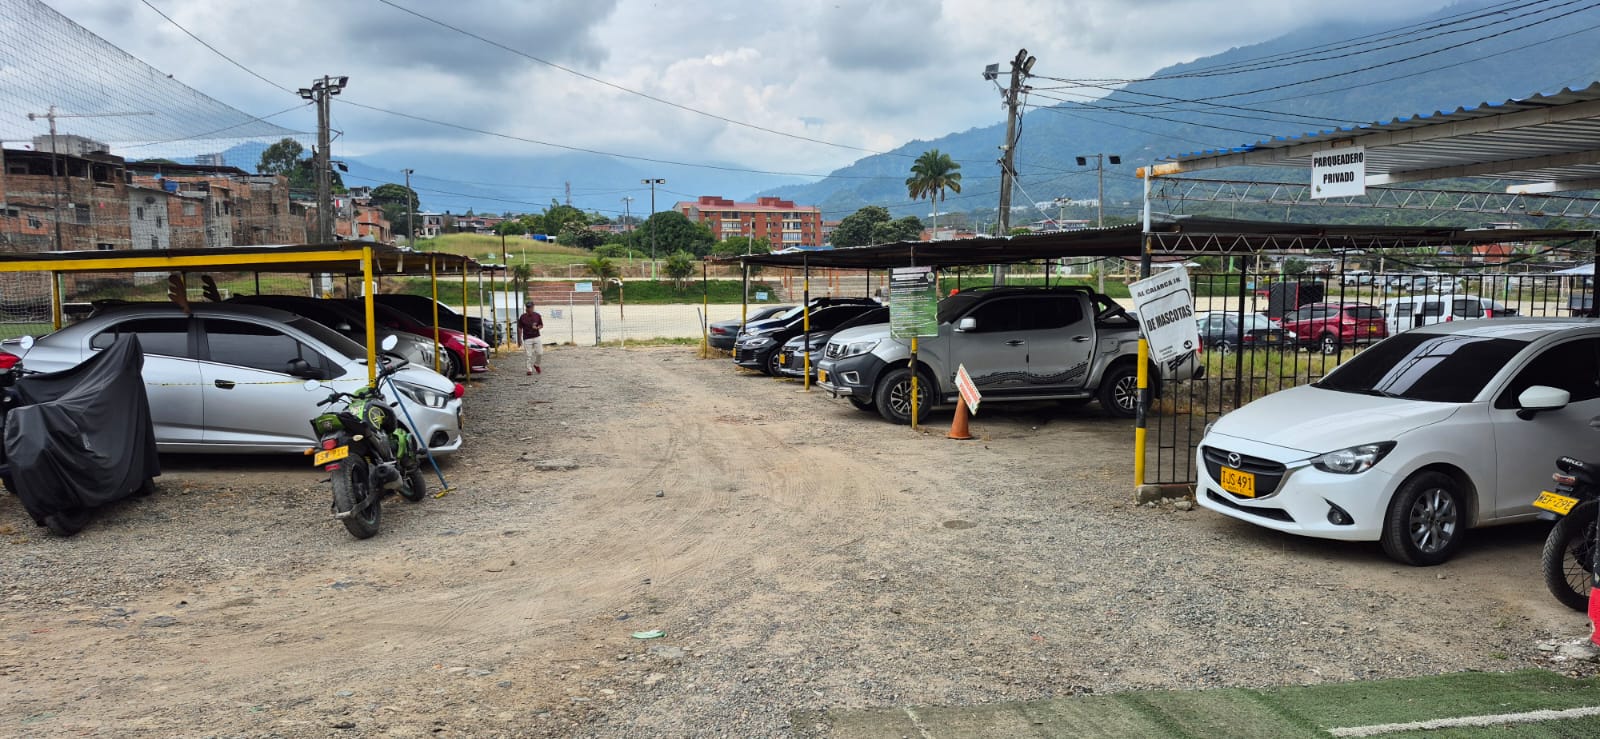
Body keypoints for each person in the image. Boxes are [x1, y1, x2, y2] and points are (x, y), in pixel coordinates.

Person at [518, 301, 544, 375]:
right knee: (528, 355)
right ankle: (529, 369)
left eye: (530, 307)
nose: (528, 309)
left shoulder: (537, 315)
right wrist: (519, 339)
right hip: (527, 338)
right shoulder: (522, 317)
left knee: (540, 353)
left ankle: (536, 365)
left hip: (536, 336)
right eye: (527, 307)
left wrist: (537, 327)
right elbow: (520, 328)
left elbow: (541, 325)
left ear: (533, 307)